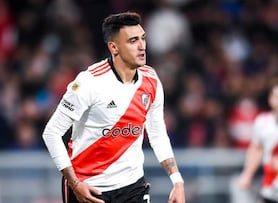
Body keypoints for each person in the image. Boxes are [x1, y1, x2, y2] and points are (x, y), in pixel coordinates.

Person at [42, 12, 185, 203]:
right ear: (114, 47)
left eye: (143, 38)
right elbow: (51, 133)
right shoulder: (89, 82)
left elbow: (157, 133)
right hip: (89, 188)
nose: (142, 46)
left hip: (132, 187)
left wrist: (177, 180)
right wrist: (75, 184)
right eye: (133, 41)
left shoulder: (151, 80)